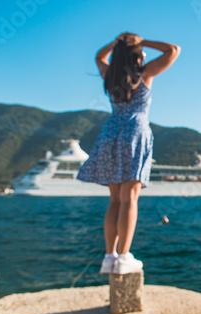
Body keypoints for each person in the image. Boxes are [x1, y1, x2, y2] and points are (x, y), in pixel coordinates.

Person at [76, 32, 181, 274]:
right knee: (130, 198)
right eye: (141, 52)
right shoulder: (144, 74)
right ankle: (124, 257)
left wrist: (117, 43)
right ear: (136, 54)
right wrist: (141, 43)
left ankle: (109, 256)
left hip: (111, 132)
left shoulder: (110, 75)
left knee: (115, 199)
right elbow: (173, 49)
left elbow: (98, 56)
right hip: (135, 131)